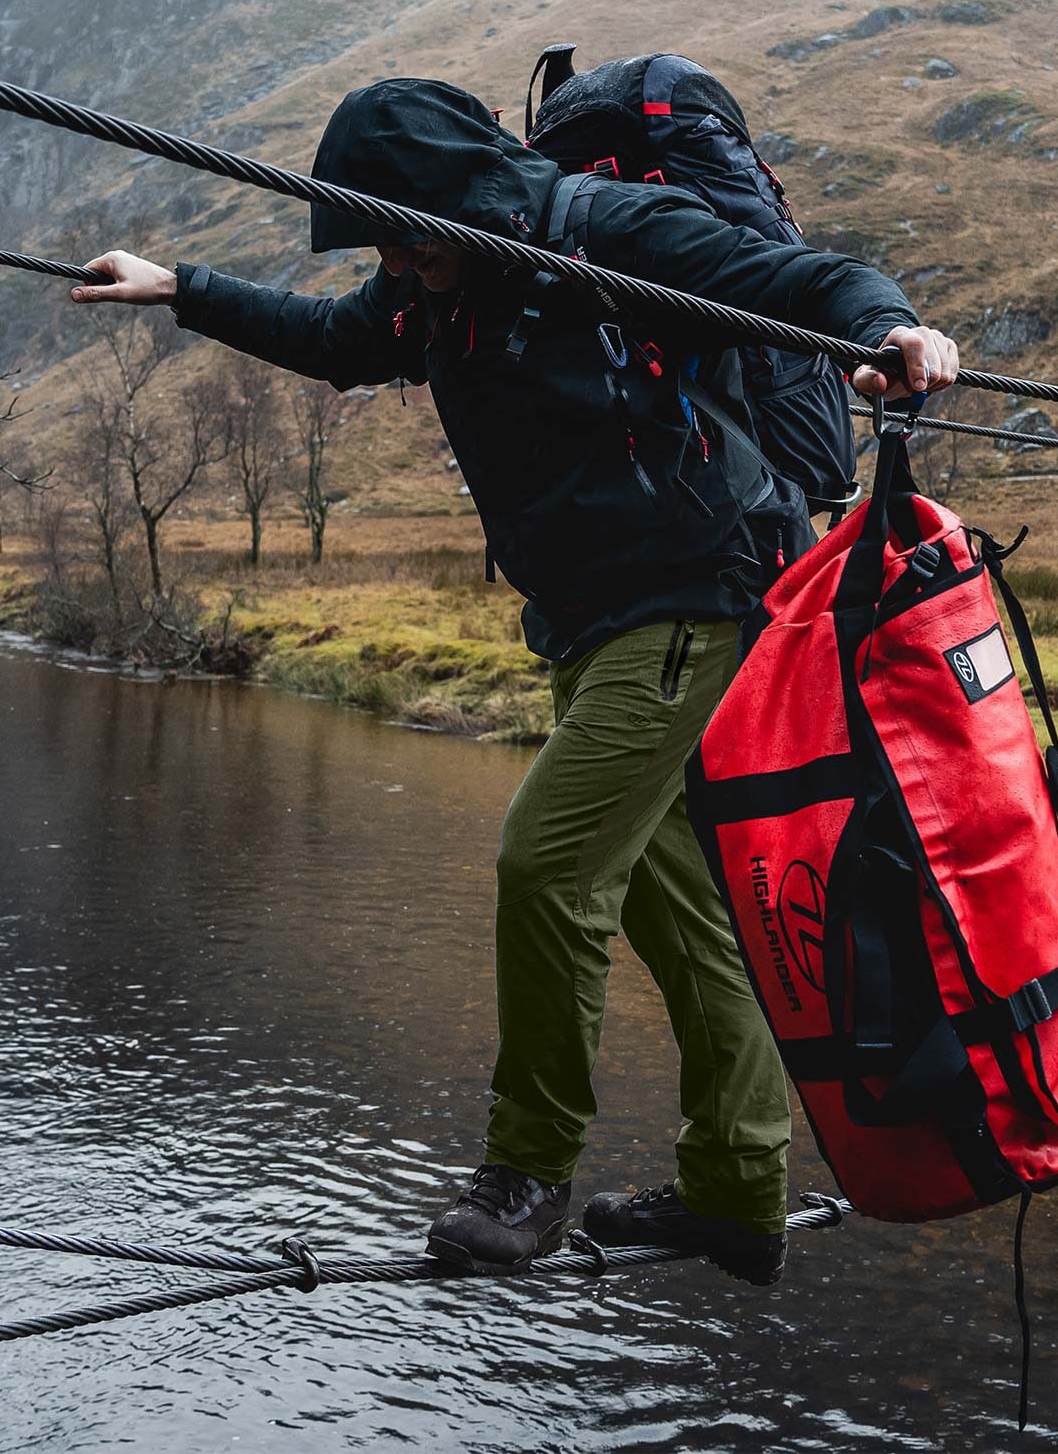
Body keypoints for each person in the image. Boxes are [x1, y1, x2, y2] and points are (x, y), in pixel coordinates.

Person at [72, 77, 958, 1285]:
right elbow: (337, 343)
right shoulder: (435, 287)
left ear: (459, 195)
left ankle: (529, 1176)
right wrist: (183, 290)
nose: (391, 256)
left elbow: (798, 282)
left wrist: (893, 328)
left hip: (701, 593)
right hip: (591, 625)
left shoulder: (597, 229)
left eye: (399, 229)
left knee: (547, 861)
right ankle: (737, 1194)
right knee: (677, 909)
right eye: (372, 235)